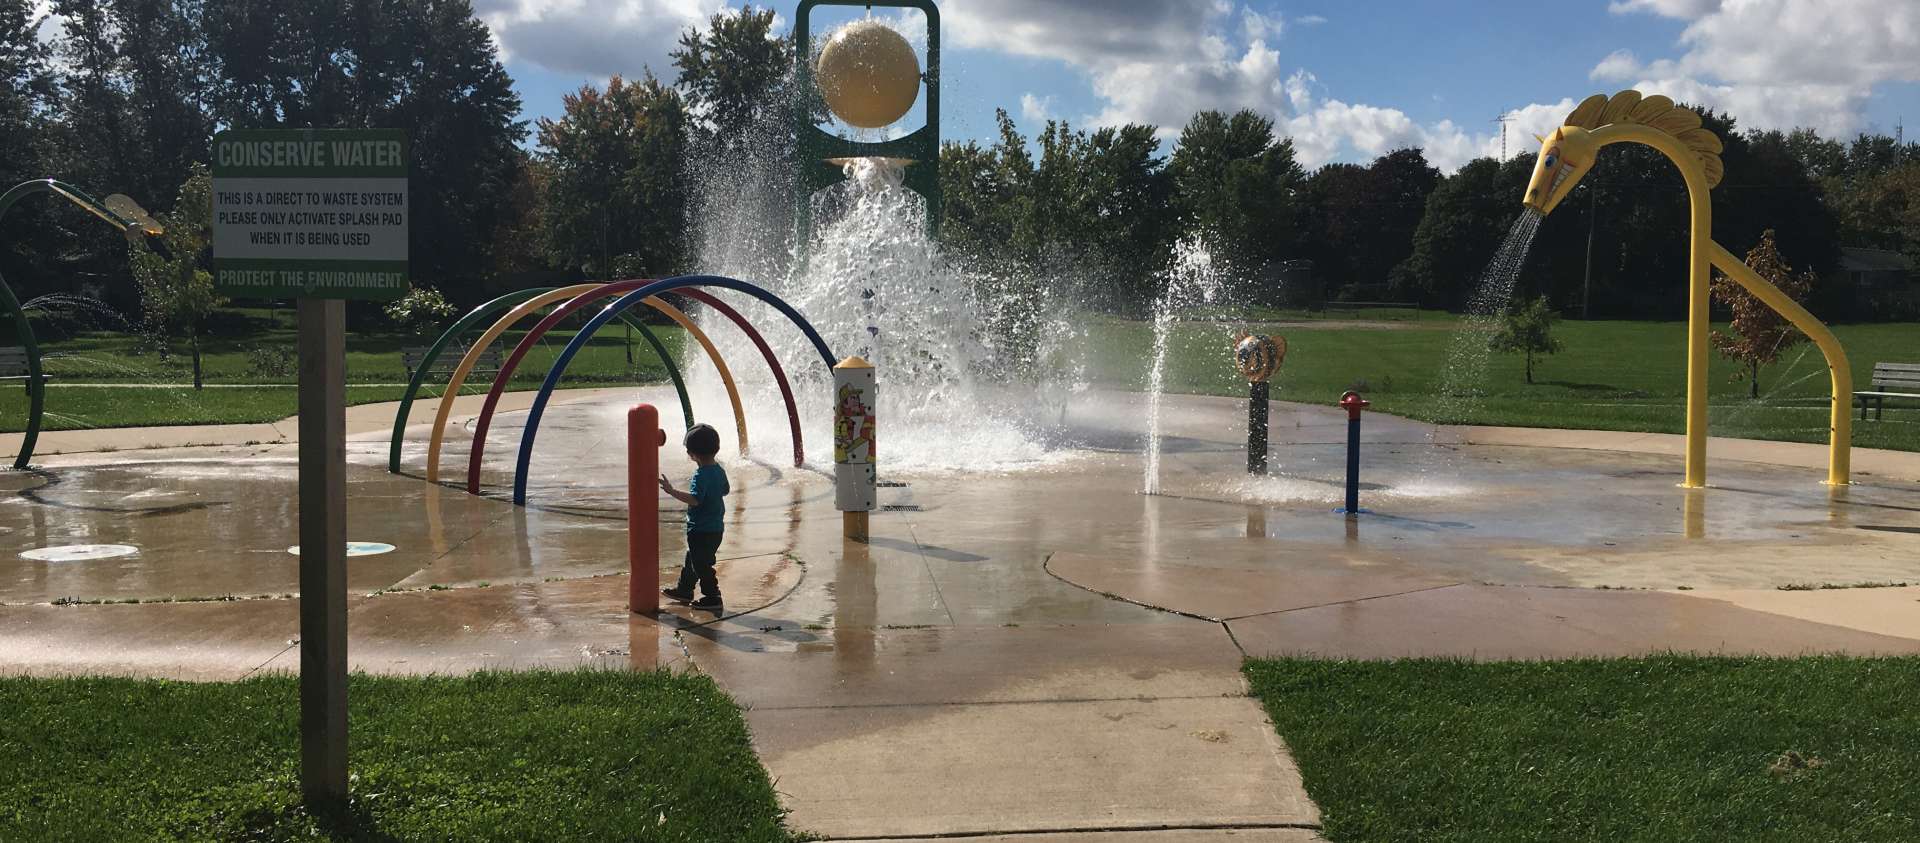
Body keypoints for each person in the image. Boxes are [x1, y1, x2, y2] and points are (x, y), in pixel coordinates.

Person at [659, 423, 729, 611]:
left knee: (701, 564)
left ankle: (712, 596)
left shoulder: (700, 474)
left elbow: (695, 500)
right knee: (694, 559)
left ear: (692, 454)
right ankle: (684, 589)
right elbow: (726, 490)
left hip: (700, 528)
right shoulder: (719, 470)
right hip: (715, 528)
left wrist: (672, 491)